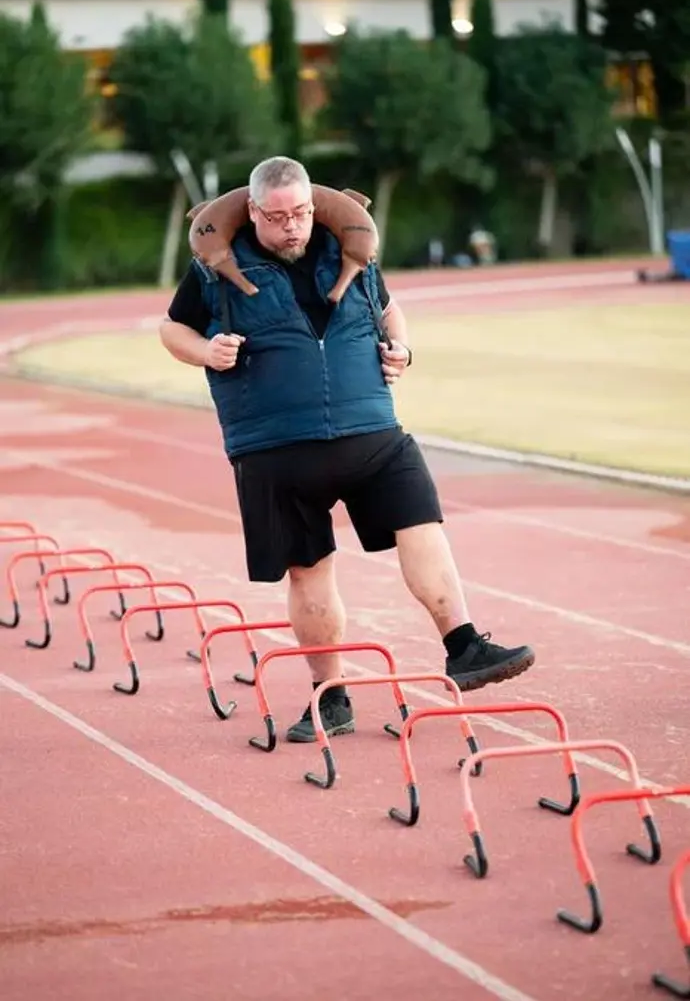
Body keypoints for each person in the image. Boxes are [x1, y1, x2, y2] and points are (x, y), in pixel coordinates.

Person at [159, 156, 535, 743]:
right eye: (279, 216)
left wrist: (403, 350)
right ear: (253, 211)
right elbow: (172, 330)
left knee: (423, 525)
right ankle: (330, 696)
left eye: (302, 213)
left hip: (371, 432)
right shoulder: (210, 271)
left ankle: (464, 647)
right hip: (275, 447)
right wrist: (206, 352)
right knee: (309, 574)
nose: (292, 226)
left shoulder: (350, 251)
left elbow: (389, 311)